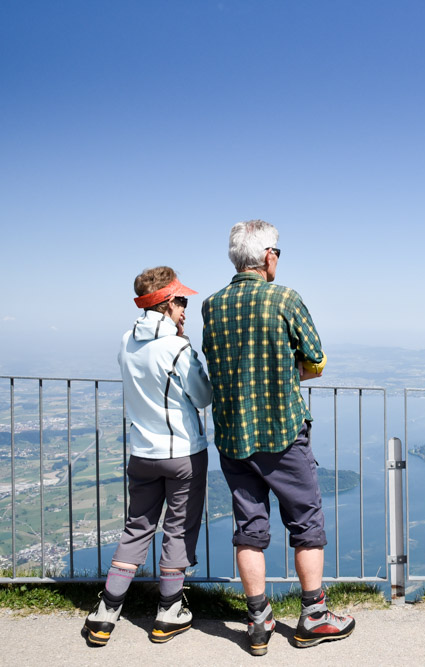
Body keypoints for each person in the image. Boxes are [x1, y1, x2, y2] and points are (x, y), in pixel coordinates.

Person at [201, 220, 354, 656]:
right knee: (306, 521)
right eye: (279, 253)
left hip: (233, 436)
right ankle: (314, 617)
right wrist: (288, 374)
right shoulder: (284, 298)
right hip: (282, 432)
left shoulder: (212, 306)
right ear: (268, 256)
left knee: (249, 527)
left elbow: (216, 363)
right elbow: (317, 359)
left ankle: (257, 620)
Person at [83, 267, 213, 646]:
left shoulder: (126, 341)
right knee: (178, 528)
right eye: (182, 301)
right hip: (183, 453)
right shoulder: (177, 347)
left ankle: (106, 611)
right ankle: (168, 611)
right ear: (167, 302)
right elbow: (202, 397)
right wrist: (188, 348)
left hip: (141, 452)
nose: (186, 308)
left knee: (136, 527)